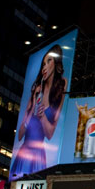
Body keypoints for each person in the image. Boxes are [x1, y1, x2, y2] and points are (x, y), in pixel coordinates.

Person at [11, 45, 67, 179]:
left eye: (49, 61)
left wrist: (42, 116)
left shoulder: (61, 87)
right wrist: (33, 105)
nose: (45, 67)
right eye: (43, 64)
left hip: (38, 157)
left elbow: (49, 134)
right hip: (24, 153)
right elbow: (19, 135)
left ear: (56, 64)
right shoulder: (36, 91)